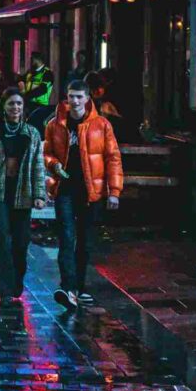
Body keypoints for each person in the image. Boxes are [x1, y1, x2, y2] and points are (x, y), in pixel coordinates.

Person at [44, 80, 123, 311]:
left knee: (85, 241)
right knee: (66, 237)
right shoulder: (55, 124)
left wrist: (114, 191)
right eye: (71, 96)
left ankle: (79, 287)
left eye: (79, 96)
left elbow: (113, 157)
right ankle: (68, 288)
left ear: (88, 98)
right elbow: (47, 153)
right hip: (65, 189)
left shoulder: (102, 125)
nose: (75, 101)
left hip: (91, 192)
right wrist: (54, 165)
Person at [0, 88, 46, 305]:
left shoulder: (32, 133)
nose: (15, 108)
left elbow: (38, 166)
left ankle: (16, 284)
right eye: (11, 104)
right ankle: (4, 290)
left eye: (19, 104)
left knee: (21, 242)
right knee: (2, 239)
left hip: (23, 193)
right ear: (4, 106)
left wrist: (40, 194)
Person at [20, 52, 54, 116]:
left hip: (40, 106)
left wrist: (26, 96)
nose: (30, 61)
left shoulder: (47, 73)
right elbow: (21, 80)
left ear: (37, 60)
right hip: (28, 105)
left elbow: (43, 89)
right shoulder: (30, 72)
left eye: (32, 59)